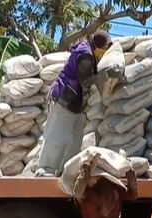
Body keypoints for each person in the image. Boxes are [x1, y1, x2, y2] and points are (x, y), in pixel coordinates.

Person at [35, 31, 113, 177]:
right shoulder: (86, 56)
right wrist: (102, 76)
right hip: (64, 99)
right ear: (98, 46)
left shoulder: (89, 51)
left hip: (73, 101)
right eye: (105, 48)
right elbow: (85, 81)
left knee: (75, 138)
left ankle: (63, 171)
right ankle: (45, 169)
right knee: (57, 137)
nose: (105, 51)